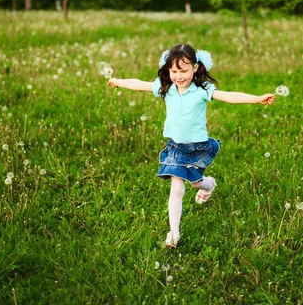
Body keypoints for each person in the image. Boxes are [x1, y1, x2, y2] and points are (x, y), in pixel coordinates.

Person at [107, 44, 276, 248]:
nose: (179, 76)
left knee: (196, 183)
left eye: (184, 71)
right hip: (176, 147)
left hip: (197, 148)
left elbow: (229, 96)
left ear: (195, 68)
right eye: (174, 71)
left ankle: (209, 185)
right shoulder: (166, 88)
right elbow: (139, 84)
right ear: (168, 70)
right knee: (176, 189)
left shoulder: (202, 90)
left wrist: (257, 99)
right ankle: (174, 233)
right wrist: (117, 81)